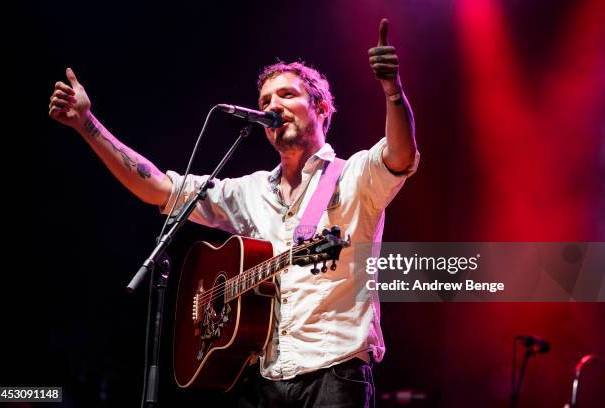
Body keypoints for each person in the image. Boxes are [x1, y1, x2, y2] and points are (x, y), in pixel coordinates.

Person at [49, 18, 419, 408]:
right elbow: (158, 187)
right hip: (264, 377)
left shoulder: (355, 174)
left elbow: (400, 155)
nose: (272, 106)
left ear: (322, 108)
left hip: (336, 373)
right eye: (264, 102)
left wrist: (392, 92)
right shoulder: (249, 190)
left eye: (287, 95)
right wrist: (86, 124)